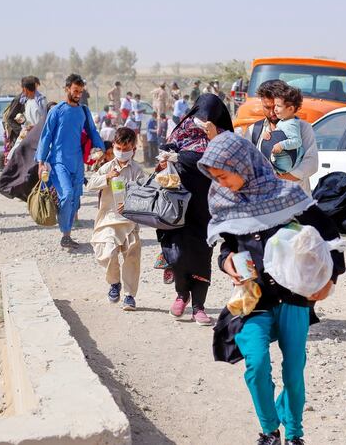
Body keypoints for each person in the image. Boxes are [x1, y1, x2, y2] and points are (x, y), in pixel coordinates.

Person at [201, 132, 344, 445]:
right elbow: (227, 247)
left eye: (224, 175)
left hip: (294, 298)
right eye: (215, 178)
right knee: (256, 363)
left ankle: (294, 434)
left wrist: (330, 280)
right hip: (254, 300)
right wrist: (227, 263)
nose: (221, 183)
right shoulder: (225, 200)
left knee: (293, 371)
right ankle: (270, 431)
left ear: (242, 165)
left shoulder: (286, 195)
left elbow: (331, 236)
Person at [159, 94, 233, 325]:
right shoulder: (184, 128)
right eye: (201, 116)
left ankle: (199, 306)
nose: (203, 121)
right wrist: (167, 155)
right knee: (179, 250)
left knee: (203, 253)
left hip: (208, 206)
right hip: (180, 202)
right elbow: (168, 148)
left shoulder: (224, 136)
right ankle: (182, 295)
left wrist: (183, 155)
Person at [37, 74, 104, 249]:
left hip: (77, 162)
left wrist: (102, 149)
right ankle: (63, 226)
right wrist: (41, 161)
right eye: (75, 91)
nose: (78, 94)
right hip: (59, 162)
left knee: (75, 199)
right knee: (66, 195)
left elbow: (92, 131)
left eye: (80, 92)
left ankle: (66, 236)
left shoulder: (83, 111)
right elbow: (46, 136)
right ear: (67, 89)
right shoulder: (57, 111)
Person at [86, 127, 145, 311]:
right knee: (107, 252)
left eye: (126, 149)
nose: (122, 152)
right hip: (109, 219)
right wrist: (107, 177)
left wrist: (131, 201)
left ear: (133, 149)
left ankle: (129, 295)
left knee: (132, 257)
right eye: (119, 148)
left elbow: (144, 192)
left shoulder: (137, 170)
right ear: (114, 146)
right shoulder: (108, 167)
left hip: (129, 221)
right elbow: (90, 185)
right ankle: (114, 283)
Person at [247, 80, 319, 194]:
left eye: (276, 107)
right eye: (267, 107)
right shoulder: (253, 131)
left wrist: (278, 180)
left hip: (297, 202)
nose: (272, 113)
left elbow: (311, 164)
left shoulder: (303, 128)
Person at [266, 86, 304, 174]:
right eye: (275, 105)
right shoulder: (284, 121)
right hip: (280, 161)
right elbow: (279, 136)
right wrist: (269, 135)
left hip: (285, 164)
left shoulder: (291, 124)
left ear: (290, 109)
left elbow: (296, 141)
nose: (275, 109)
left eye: (278, 106)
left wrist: (281, 145)